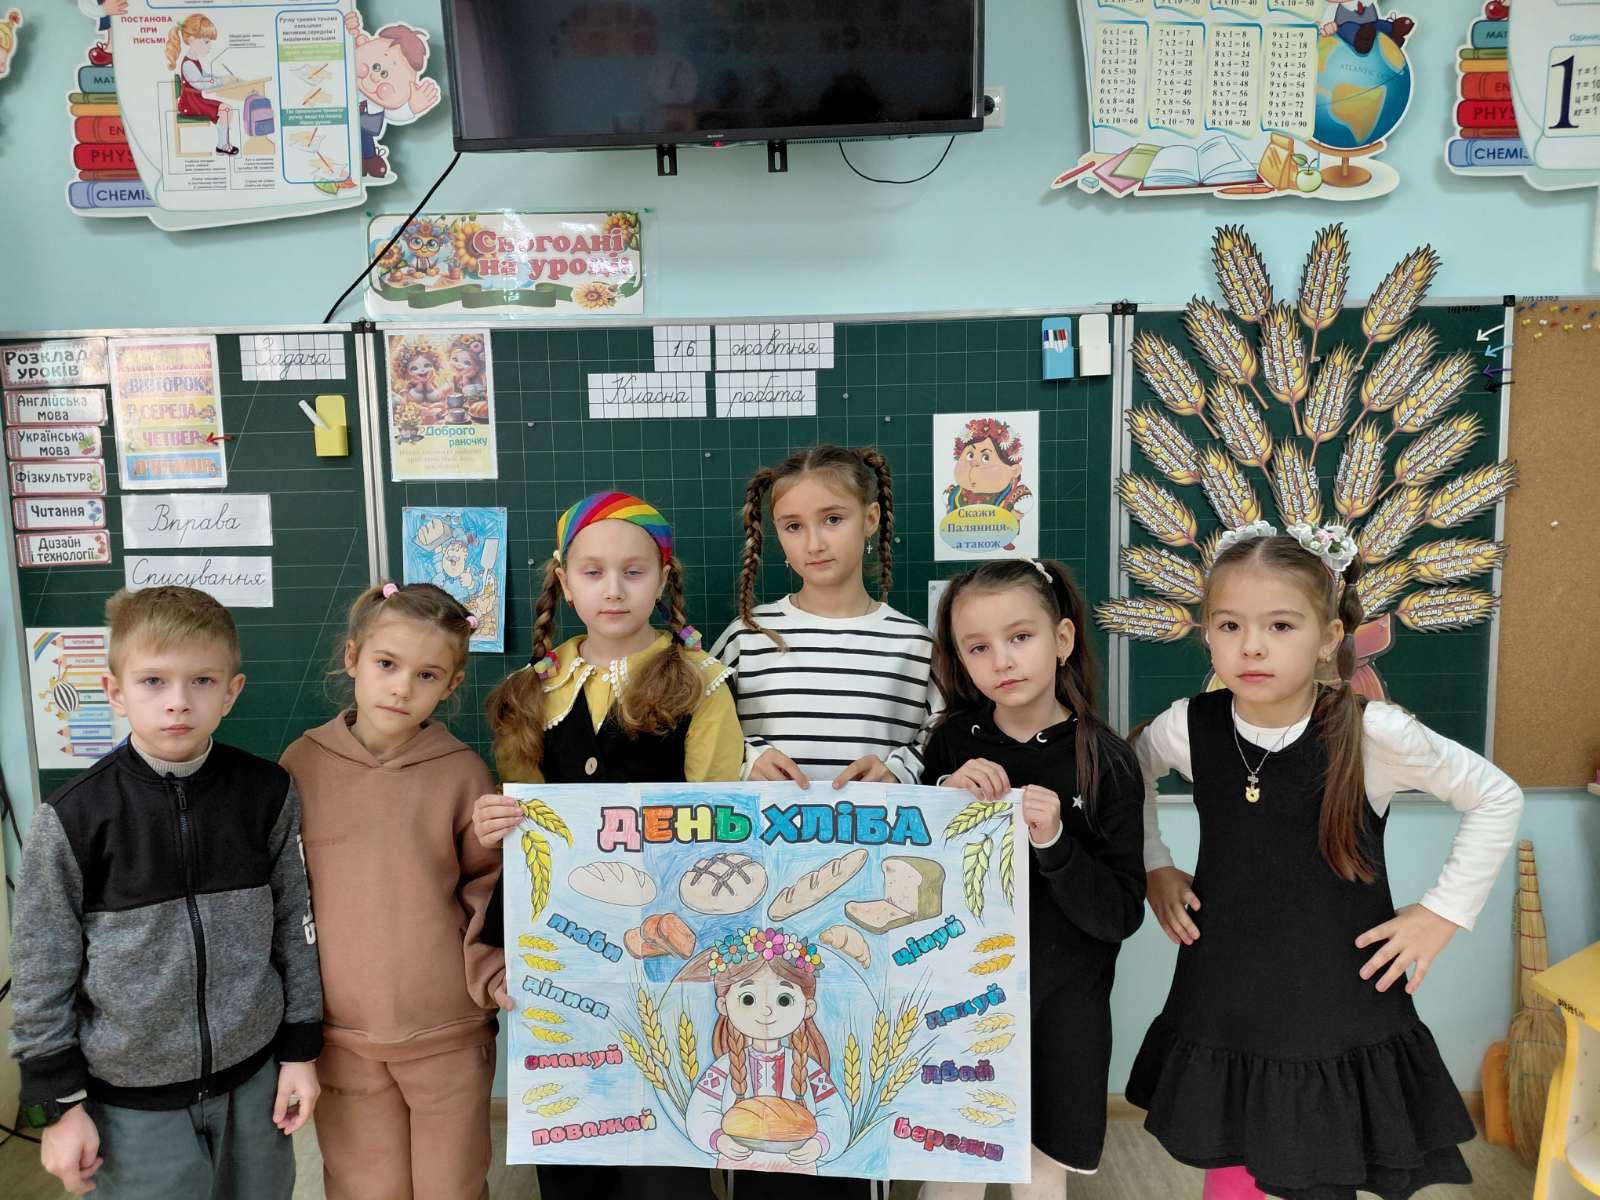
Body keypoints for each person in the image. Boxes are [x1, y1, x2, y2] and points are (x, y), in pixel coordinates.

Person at [1128, 522, 1524, 1200]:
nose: (1252, 646)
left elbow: (1496, 795)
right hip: (1226, 997)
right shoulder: (1187, 725)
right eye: (1229, 625)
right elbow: (1126, 773)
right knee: (1233, 1149)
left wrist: (1441, 913)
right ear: (1208, 634)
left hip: (1335, 1002)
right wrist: (1154, 864)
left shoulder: (1373, 731)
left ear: (1329, 636)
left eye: (1280, 625)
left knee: (1317, 1170)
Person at [473, 491, 744, 1200]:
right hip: (567, 949)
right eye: (593, 572)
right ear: (565, 582)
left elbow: (718, 814)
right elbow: (525, 830)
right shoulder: (533, 689)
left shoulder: (700, 682)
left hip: (669, 942)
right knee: (575, 1136)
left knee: (668, 1144)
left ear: (663, 578)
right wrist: (498, 823)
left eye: (634, 571)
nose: (614, 589)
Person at [10, 586, 322, 1199]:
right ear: (115, 691)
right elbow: (41, 969)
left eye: (202, 681)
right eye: (153, 681)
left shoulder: (267, 793)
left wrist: (300, 1051)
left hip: (254, 1083)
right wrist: (57, 1105)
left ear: (231, 691)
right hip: (130, 1104)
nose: (178, 702)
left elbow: (296, 925)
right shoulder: (72, 817)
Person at [920, 559, 1145, 1200]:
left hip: (1063, 1011)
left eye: (1020, 637)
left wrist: (1054, 842)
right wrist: (942, 799)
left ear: (1062, 639)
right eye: (978, 647)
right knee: (954, 1166)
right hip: (961, 1001)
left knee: (1041, 1169)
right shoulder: (950, 743)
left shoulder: (1105, 759)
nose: (1002, 660)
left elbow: (1119, 913)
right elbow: (913, 878)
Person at [281, 582, 509, 1200]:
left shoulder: (463, 773)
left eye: (426, 674)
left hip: (448, 1029)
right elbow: (282, 898)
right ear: (353, 658)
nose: (402, 687)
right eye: (387, 664)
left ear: (450, 685)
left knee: (452, 1187)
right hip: (340, 1034)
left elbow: (488, 888)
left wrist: (493, 974)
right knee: (364, 1187)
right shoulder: (300, 766)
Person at [714, 444, 941, 792]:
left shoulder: (915, 645)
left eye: (833, 519)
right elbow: (701, 724)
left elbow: (947, 734)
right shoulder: (747, 636)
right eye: (793, 526)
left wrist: (900, 769)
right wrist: (746, 757)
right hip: (765, 824)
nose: (814, 544)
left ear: (870, 519)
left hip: (877, 823)